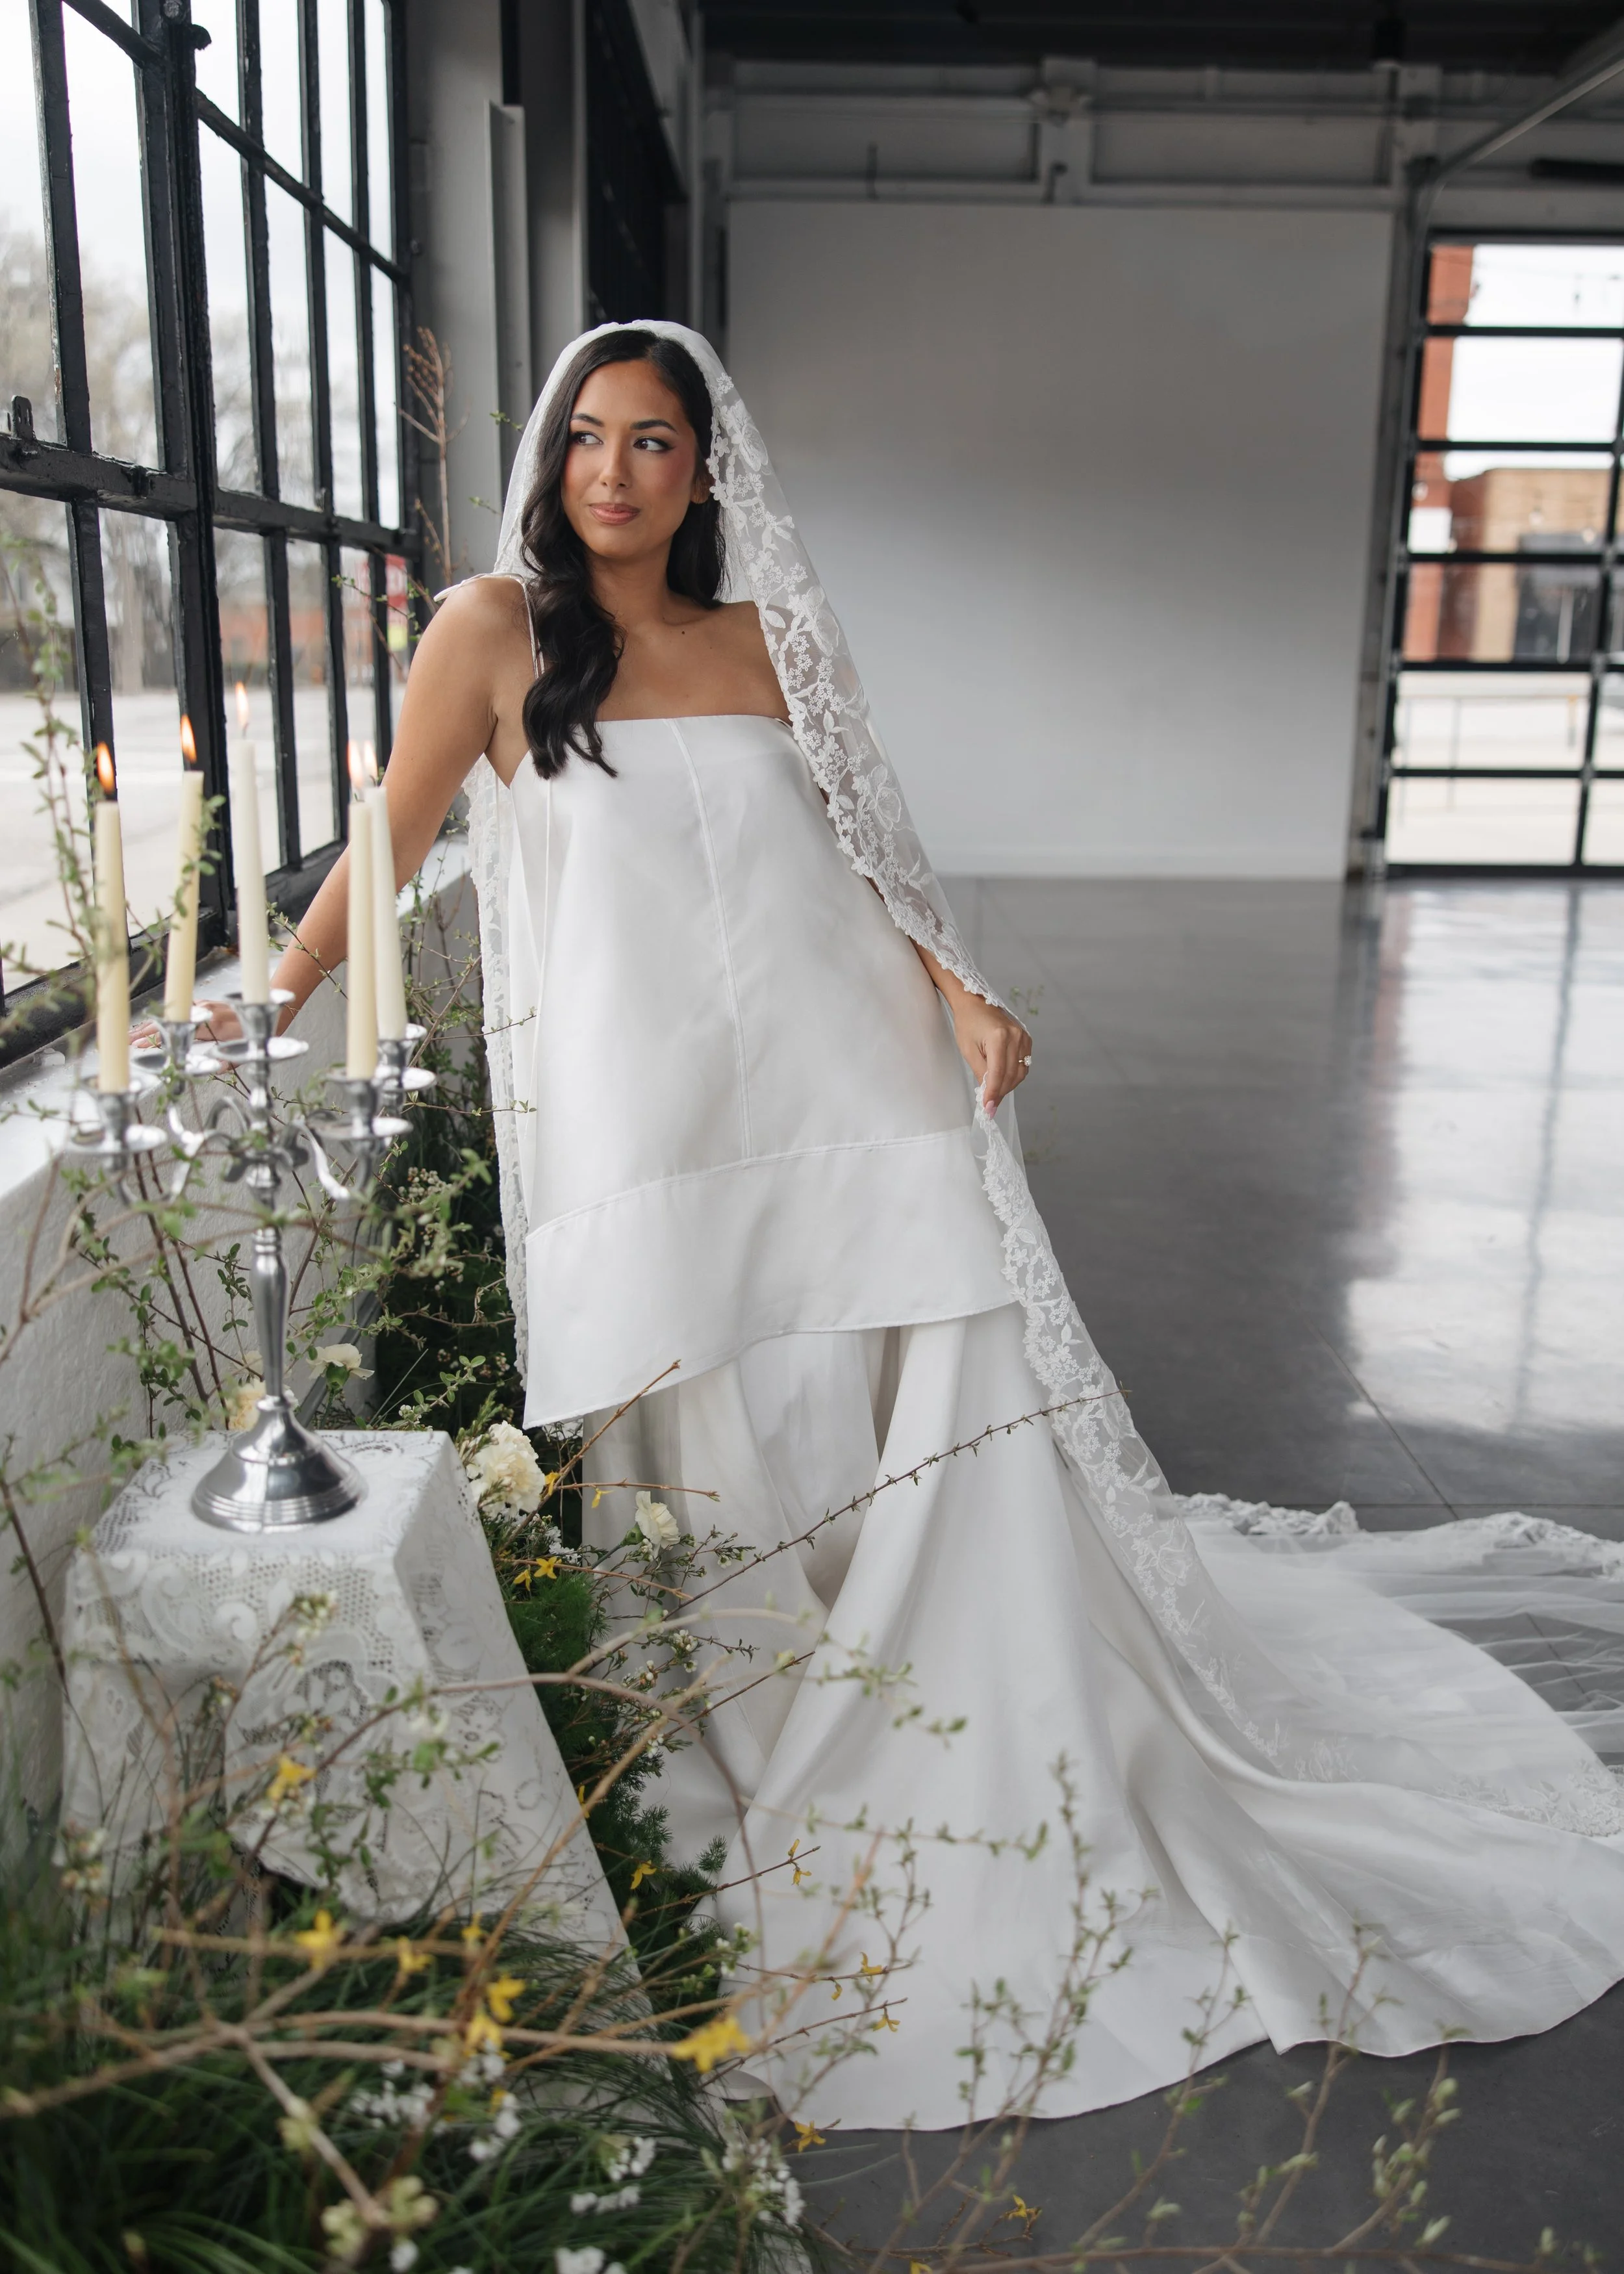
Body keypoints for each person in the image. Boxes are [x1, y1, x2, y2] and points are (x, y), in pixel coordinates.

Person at [268, 321, 1624, 2132]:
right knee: (710, 1437)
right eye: (587, 437)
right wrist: (268, 989)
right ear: (550, 457)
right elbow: (386, 836)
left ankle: (950, 1696)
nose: (612, 471)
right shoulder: (489, 636)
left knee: (919, 1410)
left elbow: (855, 856)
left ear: (704, 470)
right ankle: (762, 1699)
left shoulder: (762, 641)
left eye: (654, 440)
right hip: (645, 1124)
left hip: (853, 1081)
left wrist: (960, 991)